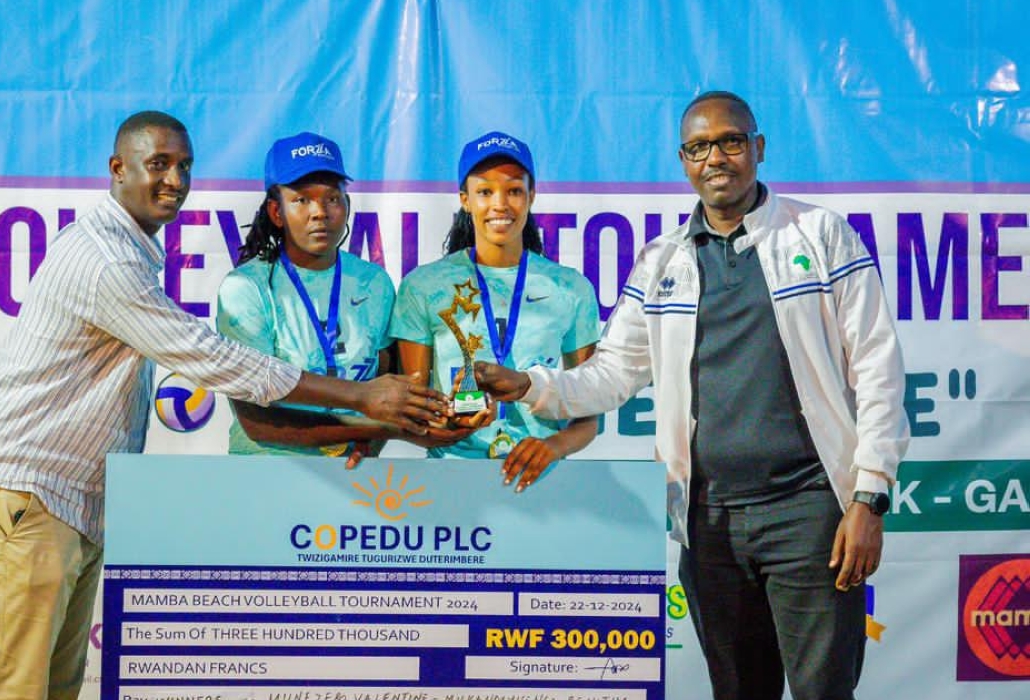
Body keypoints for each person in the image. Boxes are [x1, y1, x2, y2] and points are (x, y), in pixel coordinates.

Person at [0, 111, 446, 700]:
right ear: (116, 168)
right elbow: (213, 358)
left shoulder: (134, 251)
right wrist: (361, 397)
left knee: (52, 689)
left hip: (64, 499)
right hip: (25, 490)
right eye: (158, 164)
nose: (174, 180)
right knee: (11, 691)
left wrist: (382, 423)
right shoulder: (107, 260)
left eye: (183, 166)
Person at [475, 93, 909, 700]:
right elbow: (612, 375)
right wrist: (532, 386)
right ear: (683, 162)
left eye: (731, 141)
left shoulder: (821, 233)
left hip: (810, 514)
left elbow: (878, 368)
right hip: (707, 523)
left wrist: (869, 495)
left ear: (758, 149)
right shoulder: (661, 261)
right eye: (699, 147)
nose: (716, 158)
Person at [391, 131, 601, 490]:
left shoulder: (571, 289)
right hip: (452, 481)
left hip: (544, 481)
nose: (500, 204)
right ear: (465, 199)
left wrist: (551, 446)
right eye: (485, 191)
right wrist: (452, 421)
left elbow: (587, 415)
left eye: (514, 190)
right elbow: (413, 411)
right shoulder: (423, 286)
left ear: (531, 196)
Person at [216, 132, 402, 465]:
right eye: (302, 200)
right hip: (265, 474)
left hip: (355, 474)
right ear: (276, 212)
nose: (320, 212)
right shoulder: (246, 288)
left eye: (332, 198)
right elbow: (258, 422)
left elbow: (388, 388)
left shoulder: (374, 283)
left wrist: (369, 441)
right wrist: (358, 429)